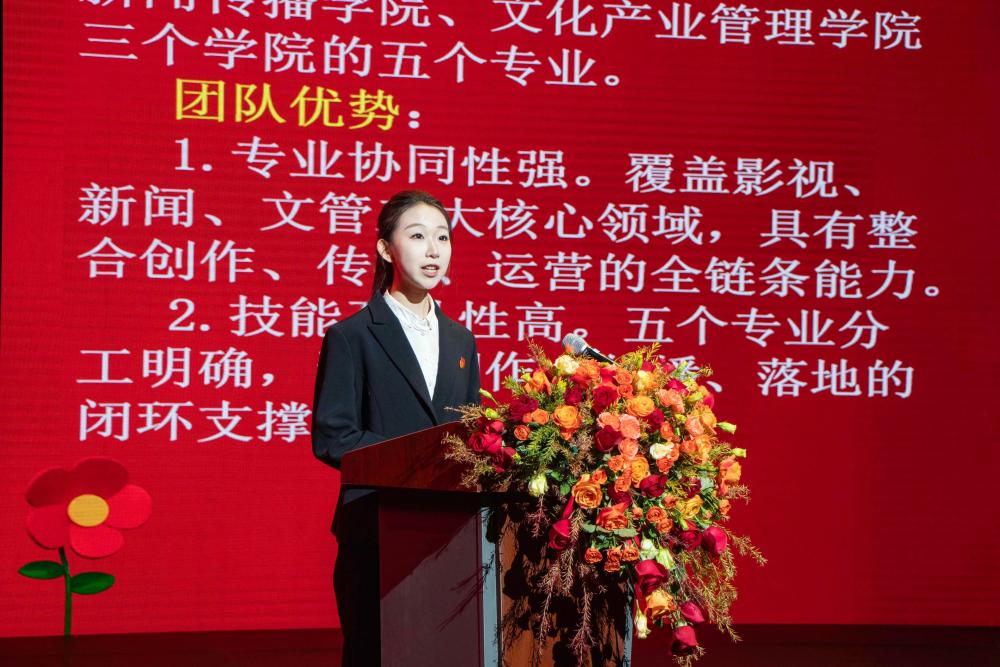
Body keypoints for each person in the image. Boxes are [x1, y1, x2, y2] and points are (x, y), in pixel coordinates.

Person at [311, 190, 481, 666]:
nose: (433, 250)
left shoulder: (461, 339)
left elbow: (468, 434)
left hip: (448, 537)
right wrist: (418, 463)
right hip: (376, 534)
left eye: (443, 238)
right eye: (418, 236)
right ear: (386, 249)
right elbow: (333, 436)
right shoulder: (352, 335)